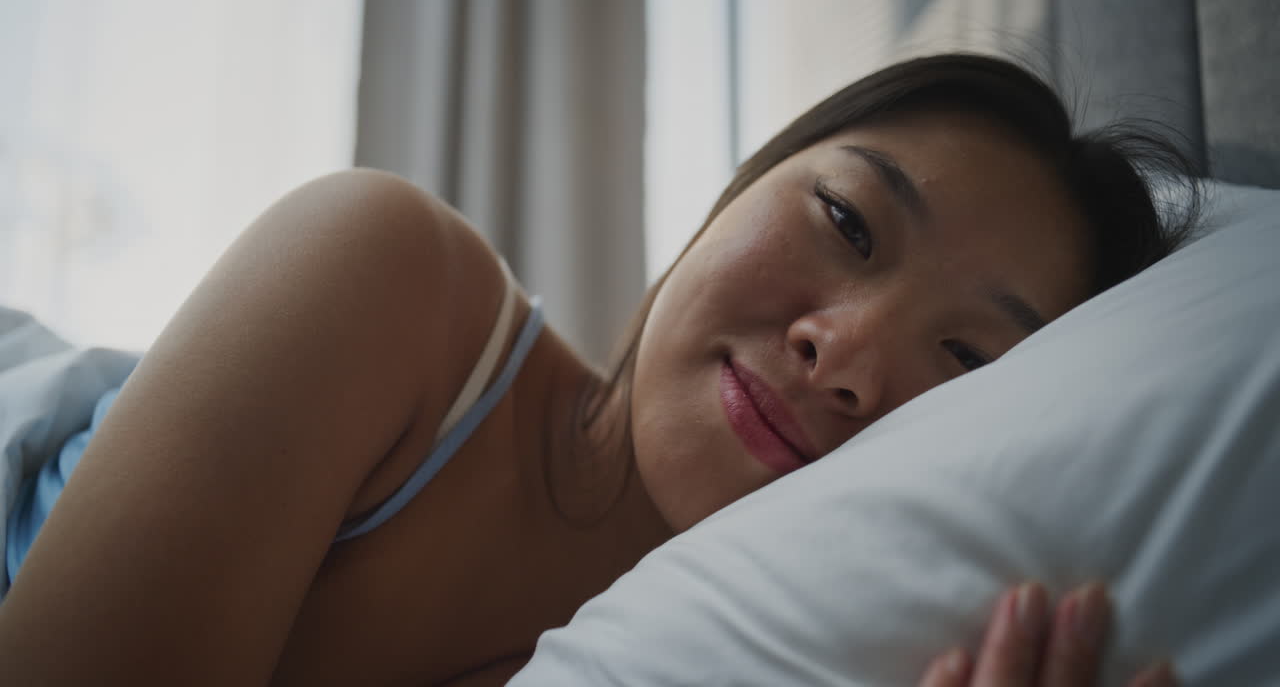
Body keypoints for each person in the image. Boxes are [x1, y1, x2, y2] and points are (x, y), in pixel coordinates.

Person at [0, 54, 1198, 686]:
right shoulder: (385, 275)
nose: (838, 355)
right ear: (741, 187)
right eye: (844, 221)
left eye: (966, 357)